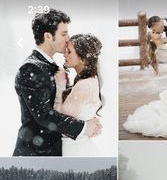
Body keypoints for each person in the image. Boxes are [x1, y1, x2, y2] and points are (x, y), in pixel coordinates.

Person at [13, 9, 101, 156]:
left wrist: (87, 116)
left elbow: (67, 106)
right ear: (48, 36)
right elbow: (44, 116)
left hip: (55, 151)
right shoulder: (30, 68)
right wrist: (84, 127)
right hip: (36, 155)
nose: (68, 38)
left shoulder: (52, 67)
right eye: (63, 34)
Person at [53, 34, 103, 157]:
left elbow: (60, 118)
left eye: (69, 52)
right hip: (79, 145)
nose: (64, 55)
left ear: (83, 59)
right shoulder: (91, 79)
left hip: (75, 149)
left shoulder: (85, 84)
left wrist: (60, 85)